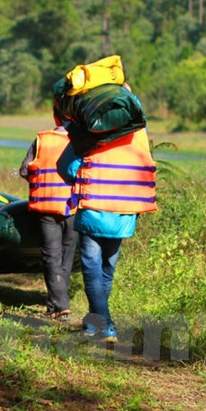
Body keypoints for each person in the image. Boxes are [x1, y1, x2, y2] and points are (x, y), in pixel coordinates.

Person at [57, 94, 157, 343]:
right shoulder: (139, 133)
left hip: (94, 206)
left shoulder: (90, 132)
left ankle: (104, 324)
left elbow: (67, 168)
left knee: (92, 267)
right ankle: (94, 323)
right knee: (106, 269)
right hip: (124, 209)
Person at [19, 111, 78, 322]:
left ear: (56, 118)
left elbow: (25, 170)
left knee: (51, 257)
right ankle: (57, 304)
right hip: (73, 208)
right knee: (66, 256)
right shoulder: (82, 141)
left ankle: (59, 305)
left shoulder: (42, 138)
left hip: (46, 207)